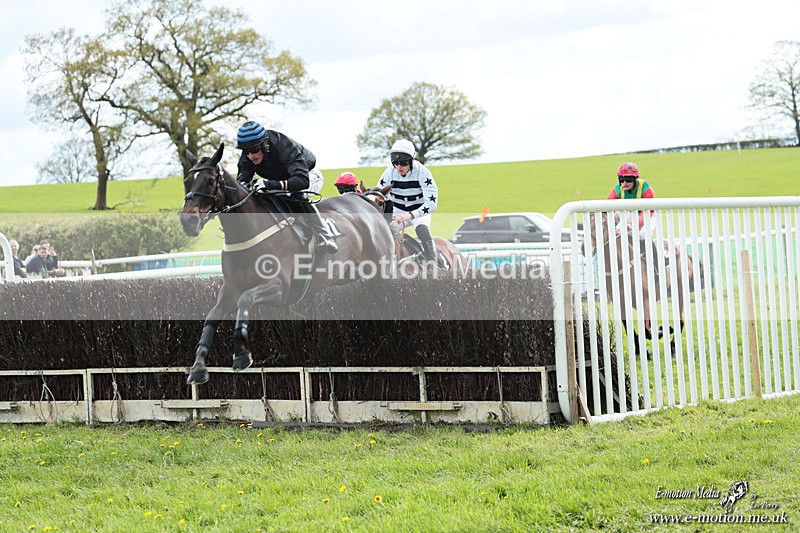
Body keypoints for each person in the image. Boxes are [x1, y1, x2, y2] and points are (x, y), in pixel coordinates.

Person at [235, 120, 338, 254]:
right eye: (246, 151)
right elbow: (242, 182)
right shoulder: (248, 156)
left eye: (254, 150)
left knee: (296, 196)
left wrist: (269, 184)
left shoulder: (284, 146)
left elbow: (301, 181)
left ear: (265, 144)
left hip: (307, 176)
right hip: (280, 179)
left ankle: (325, 235)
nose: (250, 156)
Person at [376, 139, 443, 268]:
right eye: (395, 163)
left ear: (412, 160)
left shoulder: (423, 172)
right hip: (398, 211)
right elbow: (380, 195)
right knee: (382, 232)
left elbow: (432, 204)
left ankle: (434, 265)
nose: (399, 167)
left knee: (422, 230)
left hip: (420, 211)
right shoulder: (389, 172)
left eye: (403, 162)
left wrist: (409, 216)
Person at [607, 162, 663, 271]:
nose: (624, 183)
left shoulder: (645, 188)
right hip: (633, 213)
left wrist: (629, 226)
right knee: (615, 232)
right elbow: (606, 206)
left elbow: (645, 215)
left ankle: (657, 264)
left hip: (649, 214)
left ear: (635, 179)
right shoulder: (617, 189)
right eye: (621, 179)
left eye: (628, 179)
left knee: (642, 234)